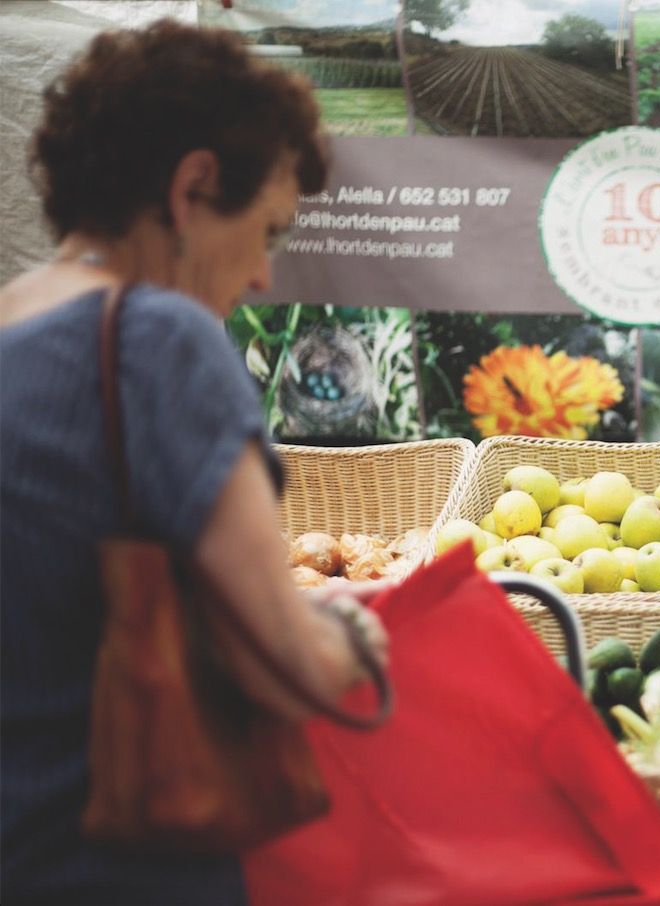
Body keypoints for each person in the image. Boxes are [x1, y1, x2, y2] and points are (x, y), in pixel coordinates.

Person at [0, 20, 390, 905]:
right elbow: (282, 664)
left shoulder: (12, 325)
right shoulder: (158, 337)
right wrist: (349, 640)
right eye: (266, 233)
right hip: (121, 873)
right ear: (195, 186)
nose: (260, 278)